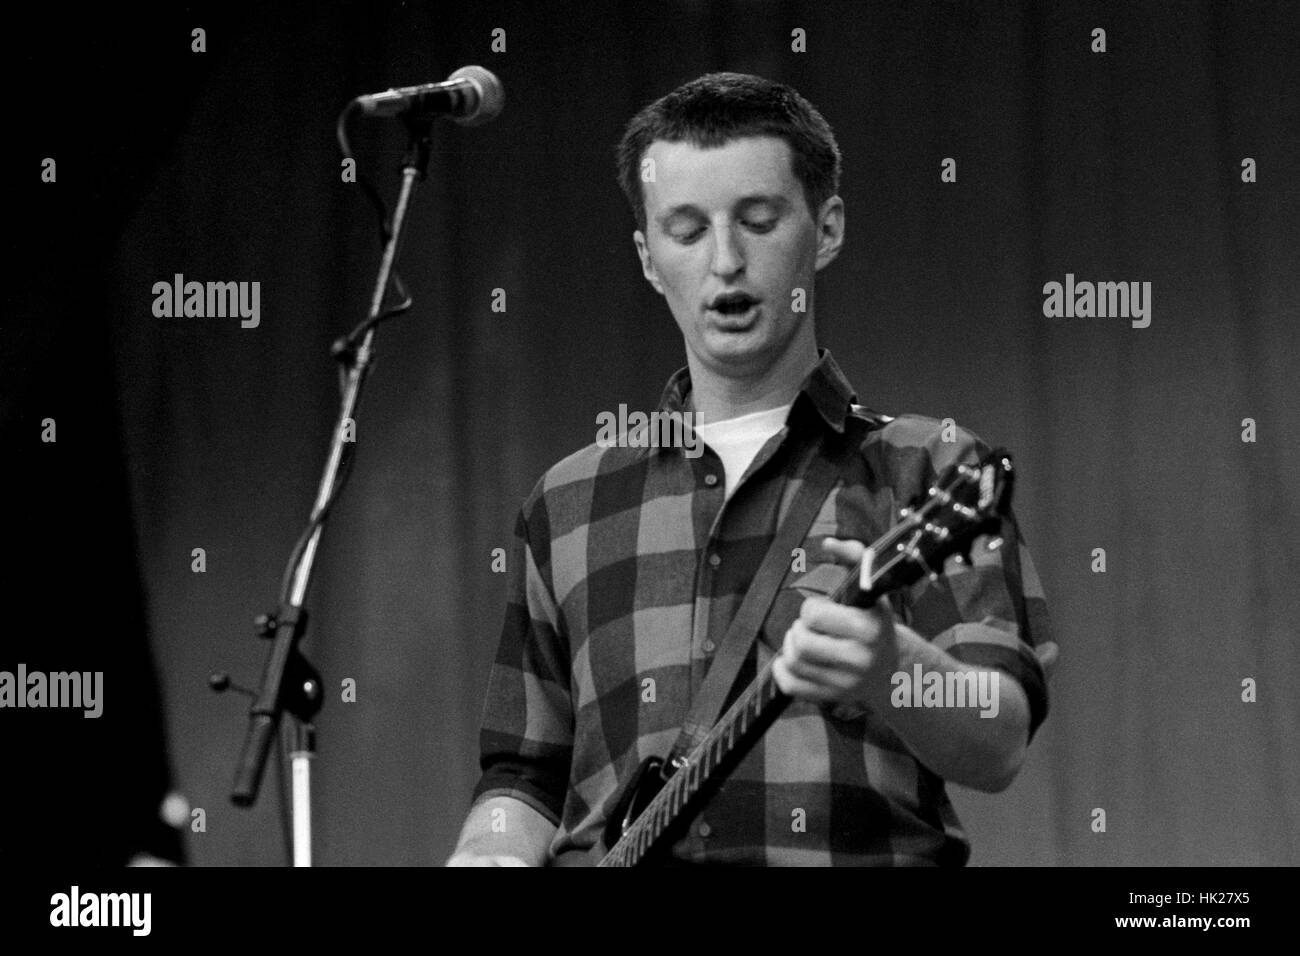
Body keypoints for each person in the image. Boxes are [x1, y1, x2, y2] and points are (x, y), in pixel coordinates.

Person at [448, 72, 1056, 866]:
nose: (726, 260)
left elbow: (1002, 739)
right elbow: (523, 776)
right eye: (687, 230)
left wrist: (891, 666)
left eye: (759, 221)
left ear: (827, 229)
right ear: (646, 257)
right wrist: (486, 853)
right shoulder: (566, 501)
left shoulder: (928, 466)